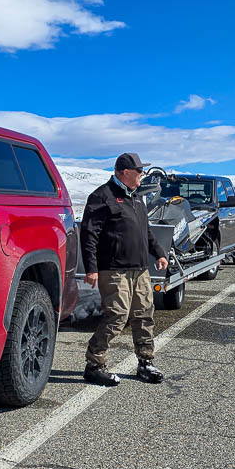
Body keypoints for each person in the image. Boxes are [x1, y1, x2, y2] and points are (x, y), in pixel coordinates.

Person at [80, 153, 170, 386]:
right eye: (139, 171)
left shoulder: (136, 198)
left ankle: (146, 362)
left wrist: (159, 253)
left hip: (140, 269)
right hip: (113, 269)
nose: (142, 174)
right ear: (124, 172)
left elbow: (145, 231)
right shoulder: (102, 196)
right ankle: (95, 365)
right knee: (117, 315)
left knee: (144, 315)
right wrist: (92, 268)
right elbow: (89, 235)